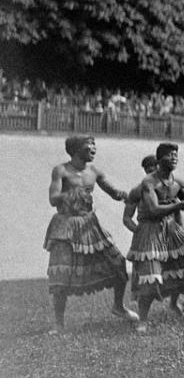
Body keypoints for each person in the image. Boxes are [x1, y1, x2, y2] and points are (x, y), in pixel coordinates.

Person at [44, 135, 138, 332]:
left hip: (89, 225)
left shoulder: (94, 171)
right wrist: (71, 194)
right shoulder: (61, 170)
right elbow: (53, 199)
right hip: (65, 226)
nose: (94, 148)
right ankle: (58, 323)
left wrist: (127, 195)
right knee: (62, 274)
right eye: (90, 145)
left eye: (95, 145)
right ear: (77, 148)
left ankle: (118, 306)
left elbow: (113, 191)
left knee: (117, 261)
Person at [127, 143, 184, 333]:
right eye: (169, 155)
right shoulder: (148, 182)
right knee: (151, 276)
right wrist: (181, 205)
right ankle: (143, 320)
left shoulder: (178, 182)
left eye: (176, 155)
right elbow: (154, 210)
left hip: (171, 228)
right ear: (159, 160)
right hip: (151, 230)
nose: (174, 158)